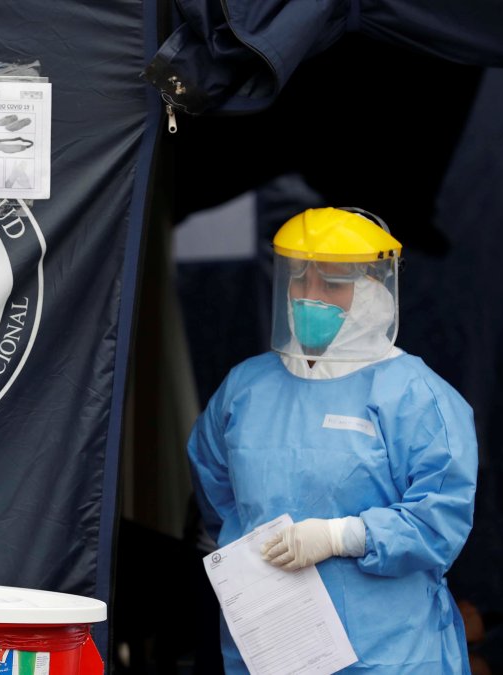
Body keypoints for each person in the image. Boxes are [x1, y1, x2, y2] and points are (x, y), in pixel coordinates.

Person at [187, 207, 477, 673]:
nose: (309, 297)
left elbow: (438, 521)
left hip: (389, 650)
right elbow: (215, 488)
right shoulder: (245, 388)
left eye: (333, 284)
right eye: (299, 280)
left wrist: (342, 536)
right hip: (270, 646)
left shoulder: (416, 397)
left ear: (374, 292)